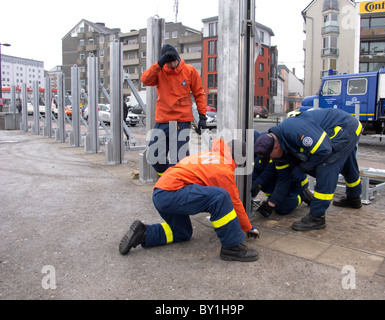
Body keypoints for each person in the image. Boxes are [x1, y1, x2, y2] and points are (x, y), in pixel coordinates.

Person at [119, 138, 260, 262]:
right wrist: (248, 227)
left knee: (182, 233)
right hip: (173, 192)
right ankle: (232, 247)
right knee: (221, 196)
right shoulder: (223, 169)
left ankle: (143, 233)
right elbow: (234, 202)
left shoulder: (209, 156)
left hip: (160, 193)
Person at [254, 108, 363, 231]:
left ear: (276, 147)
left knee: (326, 166)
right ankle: (354, 198)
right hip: (332, 133)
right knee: (347, 163)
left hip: (344, 127)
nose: (271, 159)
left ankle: (317, 217)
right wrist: (271, 203)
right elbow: (284, 178)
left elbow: (324, 150)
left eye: (270, 156)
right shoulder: (280, 150)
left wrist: (304, 167)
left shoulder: (295, 131)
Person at [141, 44, 207, 176]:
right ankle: (168, 177)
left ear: (178, 58)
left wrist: (202, 116)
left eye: (174, 61)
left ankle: (177, 185)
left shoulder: (190, 71)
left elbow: (199, 93)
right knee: (154, 155)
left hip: (181, 120)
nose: (172, 64)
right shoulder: (159, 71)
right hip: (163, 119)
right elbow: (145, 80)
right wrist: (159, 63)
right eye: (169, 62)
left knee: (179, 158)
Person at [252, 132, 312, 218]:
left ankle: (302, 195)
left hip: (293, 183)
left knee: (282, 208)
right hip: (279, 180)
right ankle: (274, 198)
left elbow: (275, 175)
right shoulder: (260, 145)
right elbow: (257, 169)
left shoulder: (272, 147)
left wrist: (271, 203)